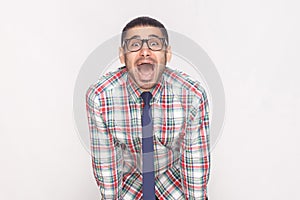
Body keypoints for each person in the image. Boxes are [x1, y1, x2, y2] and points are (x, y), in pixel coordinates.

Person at [86, 16, 210, 200]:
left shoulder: (192, 95)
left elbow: (195, 162)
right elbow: (106, 165)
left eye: (154, 44)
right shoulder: (100, 98)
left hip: (172, 182)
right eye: (135, 45)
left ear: (167, 54)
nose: (145, 52)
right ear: (122, 55)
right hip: (129, 183)